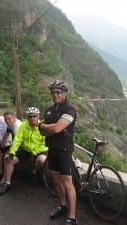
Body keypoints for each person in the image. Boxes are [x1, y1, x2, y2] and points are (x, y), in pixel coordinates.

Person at [39, 80, 77, 225]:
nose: (55, 94)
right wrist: (48, 127)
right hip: (52, 148)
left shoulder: (70, 109)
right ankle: (62, 205)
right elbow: (41, 131)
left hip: (64, 150)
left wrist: (45, 126)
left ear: (64, 93)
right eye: (53, 92)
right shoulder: (49, 110)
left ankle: (72, 216)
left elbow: (55, 129)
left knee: (67, 182)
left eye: (58, 92)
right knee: (55, 179)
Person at [0, 107, 47, 195]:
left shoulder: (43, 126)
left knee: (41, 160)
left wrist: (35, 152)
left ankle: (34, 172)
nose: (32, 118)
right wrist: (12, 152)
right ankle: (7, 183)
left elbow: (45, 143)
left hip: (39, 150)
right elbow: (17, 140)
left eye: (34, 116)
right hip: (26, 149)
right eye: (30, 116)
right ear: (27, 117)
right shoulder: (23, 125)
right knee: (8, 159)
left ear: (38, 116)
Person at [0, 111, 22, 193]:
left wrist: (8, 150)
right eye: (5, 119)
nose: (7, 121)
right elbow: (6, 135)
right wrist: (1, 146)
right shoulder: (10, 125)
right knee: (1, 150)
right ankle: (4, 179)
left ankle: (4, 180)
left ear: (14, 117)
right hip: (16, 145)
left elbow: (18, 142)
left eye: (9, 119)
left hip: (23, 147)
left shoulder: (17, 126)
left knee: (7, 156)